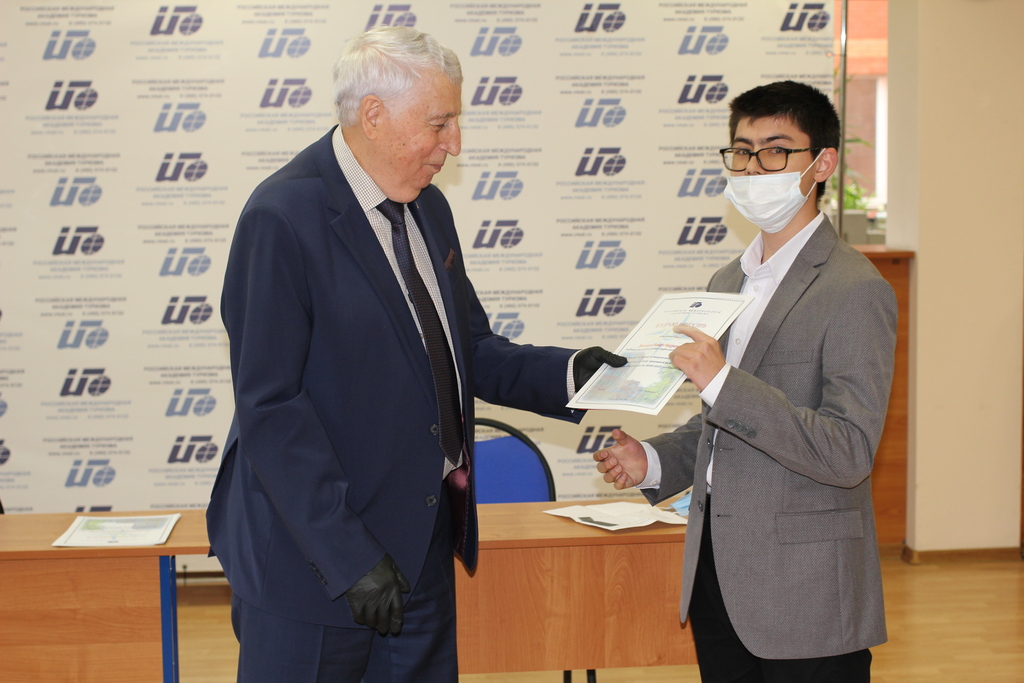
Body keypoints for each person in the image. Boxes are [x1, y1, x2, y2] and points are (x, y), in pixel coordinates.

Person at [207, 26, 623, 683]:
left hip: (421, 544)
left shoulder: (428, 208)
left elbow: (467, 348)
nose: (454, 143)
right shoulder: (281, 218)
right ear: (373, 114)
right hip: (316, 565)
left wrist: (574, 374)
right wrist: (350, 556)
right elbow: (272, 410)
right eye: (440, 123)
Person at [594, 80, 896, 683]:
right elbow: (723, 422)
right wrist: (653, 461)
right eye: (742, 150)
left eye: (776, 150)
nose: (755, 168)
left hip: (807, 592)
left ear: (822, 164)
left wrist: (725, 383)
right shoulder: (727, 279)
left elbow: (848, 450)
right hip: (718, 573)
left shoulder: (856, 289)